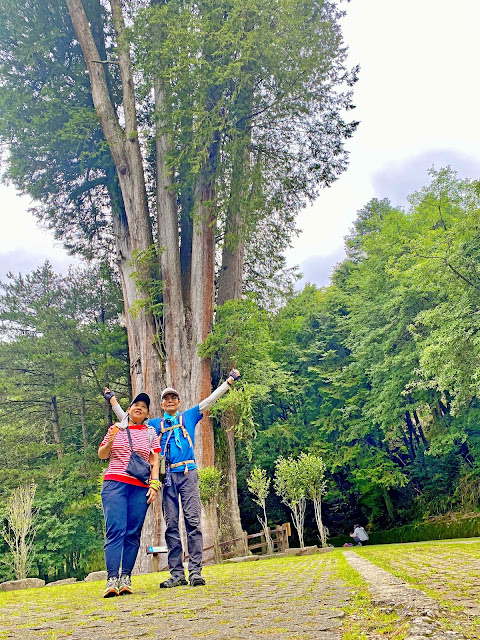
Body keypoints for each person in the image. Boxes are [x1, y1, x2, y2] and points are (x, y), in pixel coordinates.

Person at [105, 369, 240, 588]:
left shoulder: (189, 416)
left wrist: (229, 382)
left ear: (178, 402)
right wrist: (113, 402)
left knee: (193, 521)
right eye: (166, 399)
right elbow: (127, 419)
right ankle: (177, 573)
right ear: (161, 404)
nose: (170, 401)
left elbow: (209, 400)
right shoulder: (155, 424)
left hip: (188, 473)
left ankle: (195, 571)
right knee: (171, 525)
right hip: (167, 477)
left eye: (173, 398)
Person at [99, 392, 161, 598]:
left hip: (139, 487)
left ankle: (126, 577)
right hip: (114, 484)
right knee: (115, 530)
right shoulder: (115, 428)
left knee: (133, 532)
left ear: (147, 413)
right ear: (128, 409)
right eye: (136, 404)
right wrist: (110, 441)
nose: (140, 408)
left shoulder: (151, 433)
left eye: (144, 406)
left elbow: (154, 460)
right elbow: (103, 454)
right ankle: (111, 579)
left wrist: (154, 484)